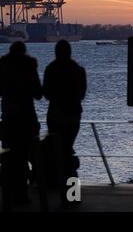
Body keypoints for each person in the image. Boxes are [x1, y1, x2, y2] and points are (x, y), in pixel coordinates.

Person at [0, 41, 42, 204]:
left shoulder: (2, 67)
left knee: (11, 156)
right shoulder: (29, 67)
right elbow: (38, 94)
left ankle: (11, 191)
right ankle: (26, 188)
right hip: (27, 119)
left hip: (9, 119)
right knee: (27, 153)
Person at [43, 40, 87, 181]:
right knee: (68, 149)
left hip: (55, 115)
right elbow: (82, 94)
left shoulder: (50, 69)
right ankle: (72, 192)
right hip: (73, 115)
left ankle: (59, 184)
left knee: (58, 151)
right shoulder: (79, 70)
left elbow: (46, 93)